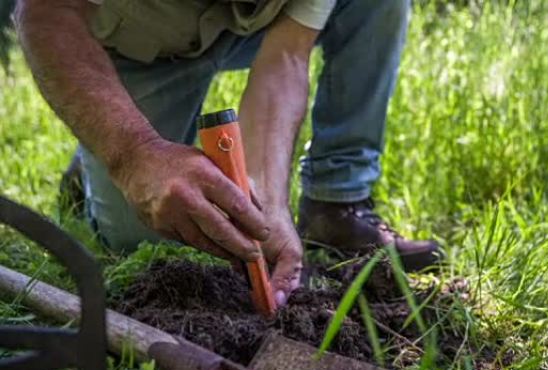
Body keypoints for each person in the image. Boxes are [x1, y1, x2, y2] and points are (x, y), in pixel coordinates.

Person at [14, 0, 441, 306]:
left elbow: (287, 53)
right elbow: (45, 15)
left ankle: (337, 204)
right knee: (146, 236)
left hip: (251, 30)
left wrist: (267, 204)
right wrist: (133, 156)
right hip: (139, 45)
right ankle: (100, 144)